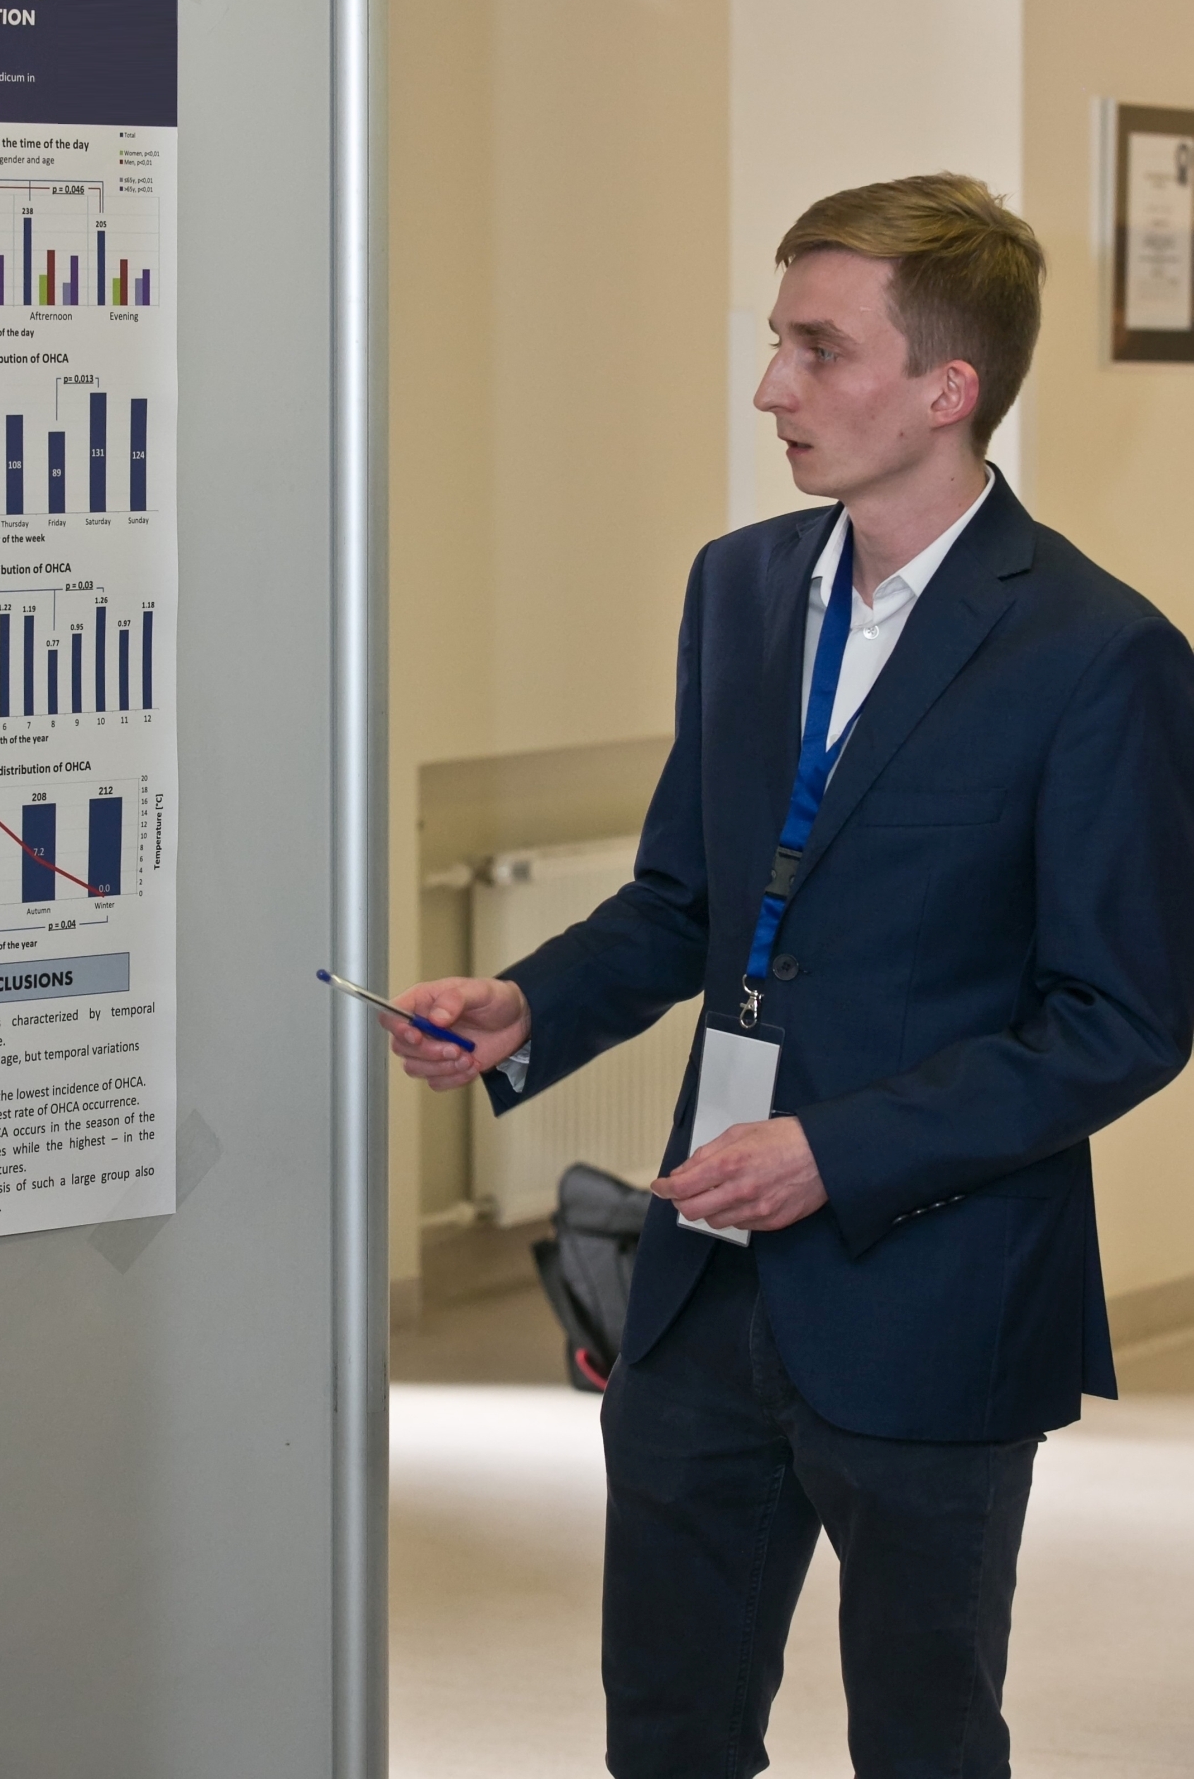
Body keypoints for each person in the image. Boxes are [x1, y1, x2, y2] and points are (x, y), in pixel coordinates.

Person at [384, 173, 1194, 1779]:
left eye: (819, 351)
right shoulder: (741, 587)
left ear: (948, 390)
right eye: (777, 343)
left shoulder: (1100, 655)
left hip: (935, 1292)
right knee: (668, 1730)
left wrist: (836, 1149)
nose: (772, 388)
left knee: (921, 1741)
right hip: (701, 1287)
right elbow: (688, 897)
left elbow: (1122, 1021)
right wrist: (531, 1006)